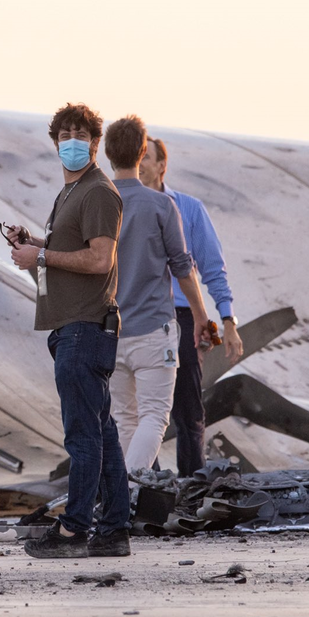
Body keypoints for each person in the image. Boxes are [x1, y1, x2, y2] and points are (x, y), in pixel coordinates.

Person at [5, 102, 130, 559]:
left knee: (83, 435)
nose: (71, 142)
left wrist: (40, 257)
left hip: (84, 329)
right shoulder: (72, 193)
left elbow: (101, 259)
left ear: (96, 143)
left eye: (81, 135)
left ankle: (75, 529)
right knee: (103, 433)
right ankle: (114, 530)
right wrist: (39, 244)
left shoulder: (98, 192)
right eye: (64, 135)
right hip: (73, 329)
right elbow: (77, 249)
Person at [103, 116, 210, 474]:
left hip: (110, 330)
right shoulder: (162, 206)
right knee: (155, 417)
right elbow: (183, 267)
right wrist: (200, 317)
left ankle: (121, 499)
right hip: (153, 330)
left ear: (107, 153)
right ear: (140, 153)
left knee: (124, 418)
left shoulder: (98, 202)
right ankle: (128, 491)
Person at [138, 136, 244, 476]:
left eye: (146, 157)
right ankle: (147, 487)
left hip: (181, 318)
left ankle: (191, 490)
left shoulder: (189, 209)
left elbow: (212, 268)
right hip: (136, 317)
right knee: (137, 410)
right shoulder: (118, 206)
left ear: (161, 166)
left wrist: (227, 320)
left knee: (187, 410)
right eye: (136, 156)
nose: (139, 162)